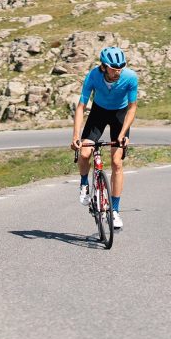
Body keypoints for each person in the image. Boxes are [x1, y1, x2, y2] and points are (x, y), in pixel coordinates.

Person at [70, 46, 138, 230]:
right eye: (114, 68)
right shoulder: (93, 76)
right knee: (84, 154)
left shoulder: (130, 77)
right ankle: (84, 184)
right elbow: (81, 106)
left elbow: (132, 108)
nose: (118, 71)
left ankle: (114, 211)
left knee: (117, 162)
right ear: (104, 66)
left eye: (121, 67)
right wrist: (76, 135)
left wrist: (123, 134)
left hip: (120, 115)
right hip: (98, 113)